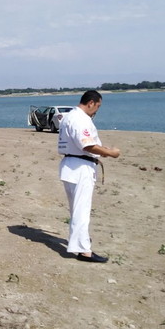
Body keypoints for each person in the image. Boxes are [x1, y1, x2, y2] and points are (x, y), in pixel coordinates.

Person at [57, 90, 120, 263]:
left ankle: (81, 240)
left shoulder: (69, 117)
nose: (97, 110)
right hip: (80, 167)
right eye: (97, 106)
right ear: (91, 103)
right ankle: (83, 250)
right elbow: (86, 145)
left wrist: (102, 150)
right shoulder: (80, 118)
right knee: (81, 210)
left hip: (71, 164)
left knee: (77, 208)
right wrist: (111, 153)